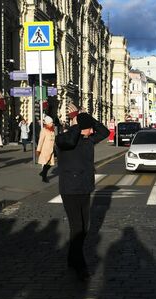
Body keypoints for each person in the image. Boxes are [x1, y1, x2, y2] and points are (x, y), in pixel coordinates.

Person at [55, 112, 110, 280]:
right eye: (89, 128)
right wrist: (79, 125)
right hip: (70, 190)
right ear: (80, 128)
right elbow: (70, 140)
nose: (93, 131)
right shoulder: (63, 140)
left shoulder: (88, 140)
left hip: (85, 188)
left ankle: (72, 259)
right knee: (77, 228)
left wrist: (90, 120)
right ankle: (80, 266)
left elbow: (105, 132)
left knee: (85, 227)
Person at [36, 115, 56, 182]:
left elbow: (53, 139)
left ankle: (43, 173)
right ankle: (44, 177)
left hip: (51, 150)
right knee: (46, 163)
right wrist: (38, 150)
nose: (52, 124)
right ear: (47, 123)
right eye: (50, 123)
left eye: (52, 122)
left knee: (50, 164)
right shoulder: (43, 130)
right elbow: (40, 141)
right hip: (45, 150)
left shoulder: (52, 130)